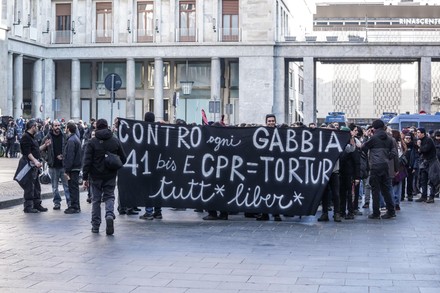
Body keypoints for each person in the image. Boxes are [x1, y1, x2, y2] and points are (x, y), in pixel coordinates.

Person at [82, 119, 127, 235]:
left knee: (96, 200)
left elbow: (87, 161)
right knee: (109, 196)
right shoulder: (115, 141)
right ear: (107, 126)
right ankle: (109, 215)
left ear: (96, 127)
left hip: (95, 176)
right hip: (110, 175)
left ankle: (95, 226)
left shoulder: (92, 142)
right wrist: (115, 164)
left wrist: (85, 178)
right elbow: (124, 158)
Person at [361, 119, 397, 219]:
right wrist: (387, 158)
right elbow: (394, 152)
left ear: (374, 128)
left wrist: (366, 137)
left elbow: (363, 147)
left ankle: (376, 213)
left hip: (375, 167)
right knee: (386, 190)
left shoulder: (373, 138)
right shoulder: (389, 139)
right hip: (385, 166)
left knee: (375, 190)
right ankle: (391, 211)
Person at [15, 119, 51, 213]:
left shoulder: (32, 137)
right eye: (36, 126)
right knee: (29, 186)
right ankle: (28, 206)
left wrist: (45, 145)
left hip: (34, 165)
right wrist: (35, 161)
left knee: (36, 186)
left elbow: (36, 150)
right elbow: (28, 153)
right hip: (28, 165)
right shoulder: (25, 137)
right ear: (32, 127)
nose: (37, 128)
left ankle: (37, 204)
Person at [256, 114, 282, 222]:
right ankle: (265, 214)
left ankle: (276, 214)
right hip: (264, 168)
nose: (271, 122)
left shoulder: (281, 133)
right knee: (264, 191)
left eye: (272, 121)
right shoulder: (262, 133)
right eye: (269, 121)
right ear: (266, 122)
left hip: (276, 168)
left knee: (276, 191)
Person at [41, 119, 71, 210]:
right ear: (52, 127)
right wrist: (47, 158)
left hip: (63, 166)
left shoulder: (64, 136)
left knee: (66, 186)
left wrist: (64, 156)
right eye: (56, 126)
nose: (57, 127)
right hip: (53, 166)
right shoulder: (47, 137)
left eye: (58, 126)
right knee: (54, 187)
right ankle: (57, 203)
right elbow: (41, 150)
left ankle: (69, 203)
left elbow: (68, 149)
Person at [139, 112, 163, 221]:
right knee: (158, 189)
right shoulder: (159, 131)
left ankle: (149, 212)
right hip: (159, 165)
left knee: (148, 189)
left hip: (147, 166)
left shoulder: (143, 131)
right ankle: (158, 212)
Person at [63, 121, 83, 214]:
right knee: (74, 187)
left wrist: (67, 169)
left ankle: (74, 206)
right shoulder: (76, 138)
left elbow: (70, 156)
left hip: (73, 168)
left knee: (73, 188)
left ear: (68, 129)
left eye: (66, 127)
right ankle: (76, 205)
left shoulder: (71, 140)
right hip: (76, 167)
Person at [415, 127, 437, 203]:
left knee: (432, 180)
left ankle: (431, 197)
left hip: (432, 162)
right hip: (424, 162)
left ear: (423, 133)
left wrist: (419, 146)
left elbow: (425, 149)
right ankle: (424, 196)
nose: (417, 134)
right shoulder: (420, 141)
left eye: (418, 132)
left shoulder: (428, 140)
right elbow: (420, 152)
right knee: (423, 179)